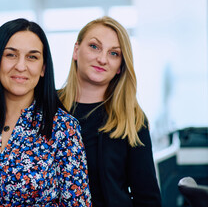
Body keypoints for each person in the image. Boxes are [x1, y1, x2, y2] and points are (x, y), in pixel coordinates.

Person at [0, 18, 91, 206]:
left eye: (32, 57)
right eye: (11, 55)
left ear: (43, 68)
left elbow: (78, 203)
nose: (21, 66)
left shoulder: (64, 127)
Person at [58, 16, 162, 207]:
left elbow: (147, 198)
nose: (102, 59)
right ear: (76, 50)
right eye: (94, 47)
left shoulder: (132, 119)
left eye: (114, 53)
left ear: (120, 67)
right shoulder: (45, 108)